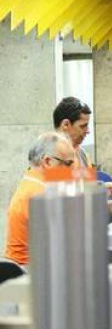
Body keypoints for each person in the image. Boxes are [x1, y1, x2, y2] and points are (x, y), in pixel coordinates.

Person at [5, 132, 75, 265]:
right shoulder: (40, 194)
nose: (72, 170)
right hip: (31, 274)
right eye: (68, 164)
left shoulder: (31, 180)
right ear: (48, 161)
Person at [53, 97, 92, 168]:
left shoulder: (83, 155)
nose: (88, 131)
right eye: (83, 126)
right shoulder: (43, 157)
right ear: (66, 125)